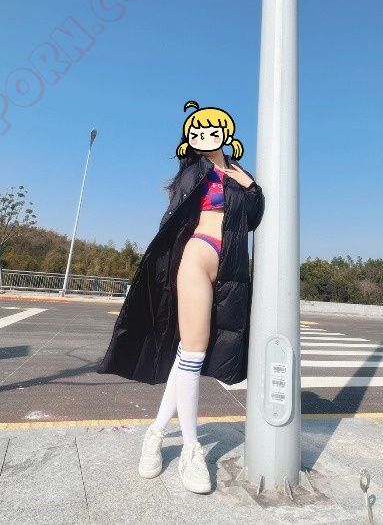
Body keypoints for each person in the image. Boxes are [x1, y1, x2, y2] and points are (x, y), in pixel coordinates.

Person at [96, 100, 265, 494]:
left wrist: (250, 186)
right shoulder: (194, 172)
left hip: (230, 265)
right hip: (197, 255)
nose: (206, 136)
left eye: (213, 130)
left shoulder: (239, 174)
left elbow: (253, 218)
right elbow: (175, 217)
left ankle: (155, 433)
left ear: (226, 133)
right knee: (192, 353)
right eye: (198, 131)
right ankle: (191, 449)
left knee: (187, 358)